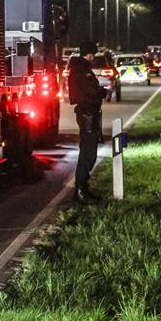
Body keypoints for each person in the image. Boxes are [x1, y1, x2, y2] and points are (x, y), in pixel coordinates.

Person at [67, 41, 108, 203]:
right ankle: (81, 191)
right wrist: (102, 92)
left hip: (88, 113)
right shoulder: (82, 69)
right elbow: (91, 91)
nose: (93, 58)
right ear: (89, 54)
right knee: (88, 153)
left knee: (88, 151)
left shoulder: (80, 68)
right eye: (93, 54)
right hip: (87, 113)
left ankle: (82, 189)